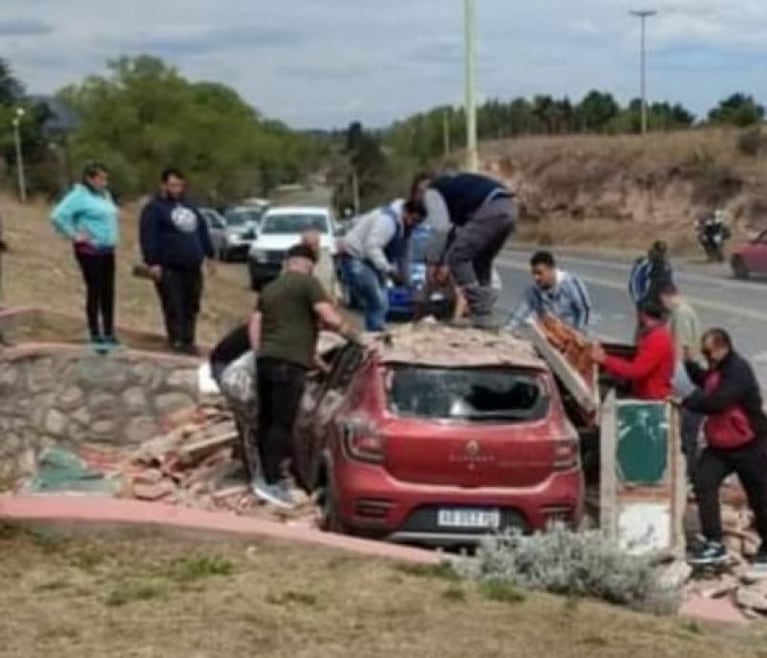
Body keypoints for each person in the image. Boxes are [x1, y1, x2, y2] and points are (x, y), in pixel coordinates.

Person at [249, 244, 357, 508]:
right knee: (282, 424)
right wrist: (351, 334)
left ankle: (263, 477)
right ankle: (274, 483)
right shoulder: (308, 284)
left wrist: (259, 352)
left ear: (288, 262)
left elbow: (256, 323)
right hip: (290, 366)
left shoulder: (271, 288)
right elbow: (326, 315)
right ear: (309, 264)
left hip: (267, 361)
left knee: (267, 419)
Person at [680, 329, 767, 572]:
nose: (707, 356)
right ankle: (713, 542)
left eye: (709, 351)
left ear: (723, 347)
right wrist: (689, 364)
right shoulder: (717, 369)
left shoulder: (739, 370)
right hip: (720, 446)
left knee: (759, 497)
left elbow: (718, 401)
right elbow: (705, 380)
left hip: (750, 445)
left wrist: (684, 402)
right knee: (703, 482)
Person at [417, 172, 516, 328]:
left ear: (421, 190)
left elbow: (440, 229)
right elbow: (454, 233)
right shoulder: (457, 191)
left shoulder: (432, 191)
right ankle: (484, 315)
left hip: (491, 209)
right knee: (481, 261)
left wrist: (432, 261)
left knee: (457, 257)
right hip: (509, 209)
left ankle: (479, 312)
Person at [139, 168, 215, 354]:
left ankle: (189, 340)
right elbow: (148, 236)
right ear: (164, 185)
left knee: (191, 305)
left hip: (192, 266)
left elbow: (201, 231)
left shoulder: (189, 206)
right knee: (174, 304)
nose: (177, 189)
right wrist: (152, 262)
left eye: (180, 185)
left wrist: (209, 255)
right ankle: (177, 341)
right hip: (169, 266)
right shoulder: (154, 209)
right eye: (173, 185)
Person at [51, 163, 119, 350]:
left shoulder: (105, 196)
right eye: (100, 178)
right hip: (90, 250)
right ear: (90, 179)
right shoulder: (79, 196)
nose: (104, 182)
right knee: (95, 289)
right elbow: (58, 216)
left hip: (107, 249)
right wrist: (74, 234)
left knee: (108, 291)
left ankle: (109, 330)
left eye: (106, 179)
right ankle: (94, 331)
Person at [339, 199, 426, 331]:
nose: (413, 224)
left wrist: (407, 283)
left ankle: (376, 332)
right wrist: (389, 270)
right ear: (406, 212)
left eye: (417, 222)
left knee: (383, 303)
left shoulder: (404, 229)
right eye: (413, 220)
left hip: (371, 262)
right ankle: (375, 336)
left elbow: (403, 257)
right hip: (355, 258)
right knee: (377, 301)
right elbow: (372, 247)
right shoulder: (387, 221)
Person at [659, 282, 704, 479]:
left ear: (667, 296)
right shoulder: (686, 311)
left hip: (688, 379)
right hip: (692, 377)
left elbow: (681, 348)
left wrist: (674, 379)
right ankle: (690, 473)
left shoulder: (680, 314)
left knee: (688, 432)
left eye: (663, 301)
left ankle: (690, 475)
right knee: (689, 431)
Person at [592, 299, 674, 401]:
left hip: (650, 397)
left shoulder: (658, 339)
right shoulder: (653, 335)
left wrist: (605, 359)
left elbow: (636, 371)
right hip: (643, 391)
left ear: (642, 315)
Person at [506, 251, 592, 333]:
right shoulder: (533, 290)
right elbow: (519, 314)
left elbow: (583, 310)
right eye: (534, 273)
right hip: (548, 334)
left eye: (539, 273)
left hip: (570, 334)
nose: (536, 278)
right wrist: (505, 331)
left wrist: (578, 334)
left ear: (551, 269)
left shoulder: (571, 283)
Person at [629, 241, 674, 309]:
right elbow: (635, 281)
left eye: (662, 253)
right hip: (648, 301)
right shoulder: (646, 264)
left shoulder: (666, 265)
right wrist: (638, 300)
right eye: (658, 253)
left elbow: (669, 283)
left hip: (664, 302)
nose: (661, 255)